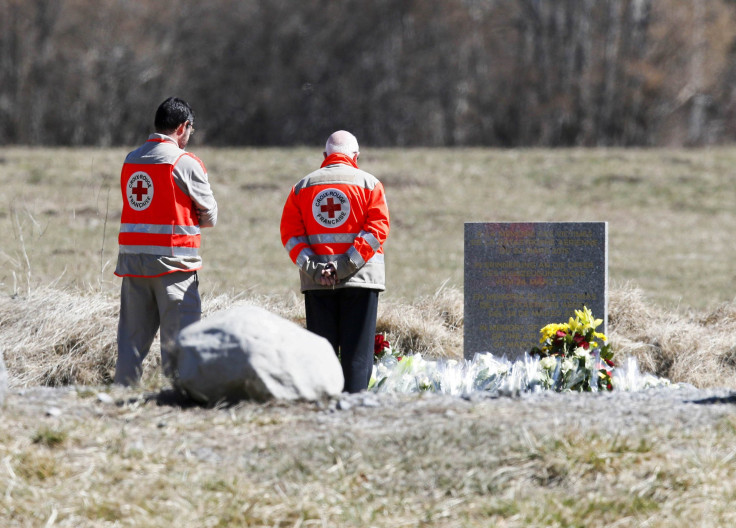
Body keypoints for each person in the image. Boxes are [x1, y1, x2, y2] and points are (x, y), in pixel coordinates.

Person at [113, 97, 218, 385]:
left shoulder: (131, 159)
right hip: (174, 267)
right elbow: (210, 216)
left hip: (133, 265)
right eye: (190, 131)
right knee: (180, 348)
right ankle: (176, 405)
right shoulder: (185, 163)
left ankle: (119, 402)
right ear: (183, 127)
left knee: (130, 350)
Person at [280, 130, 390, 393]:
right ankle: (354, 412)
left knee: (322, 355)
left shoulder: (302, 187)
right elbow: (377, 230)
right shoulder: (369, 184)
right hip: (361, 282)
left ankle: (324, 410)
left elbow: (291, 236)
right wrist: (344, 267)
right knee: (358, 356)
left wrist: (317, 270)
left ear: (324, 155)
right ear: (356, 156)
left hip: (318, 285)